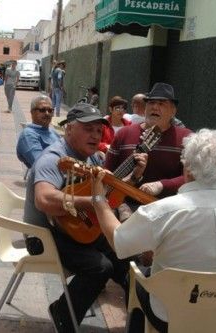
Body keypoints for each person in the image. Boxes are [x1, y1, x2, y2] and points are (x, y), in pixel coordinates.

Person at [91, 128, 216, 333]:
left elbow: (119, 242)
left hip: (169, 316)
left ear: (187, 169)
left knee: (135, 276)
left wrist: (99, 200)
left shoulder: (161, 211)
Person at [24, 103, 128, 332]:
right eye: (88, 129)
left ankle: (143, 315)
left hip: (75, 229)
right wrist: (91, 202)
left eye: (99, 131)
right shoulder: (53, 159)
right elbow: (44, 200)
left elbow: (104, 193)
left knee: (125, 253)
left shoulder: (92, 159)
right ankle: (63, 315)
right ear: (69, 129)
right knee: (100, 267)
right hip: (44, 235)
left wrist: (133, 176)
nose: (95, 135)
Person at [105, 82, 192, 198]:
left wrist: (162, 185)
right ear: (145, 108)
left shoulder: (187, 138)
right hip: (122, 205)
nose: (155, 107)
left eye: (161, 103)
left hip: (168, 208)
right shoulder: (124, 134)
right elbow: (106, 172)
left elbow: (193, 176)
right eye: (151, 102)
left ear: (173, 111)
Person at [16, 95, 59, 168]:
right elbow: (41, 164)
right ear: (32, 112)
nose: (47, 113)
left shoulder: (53, 132)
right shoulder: (28, 135)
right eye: (42, 110)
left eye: (50, 110)